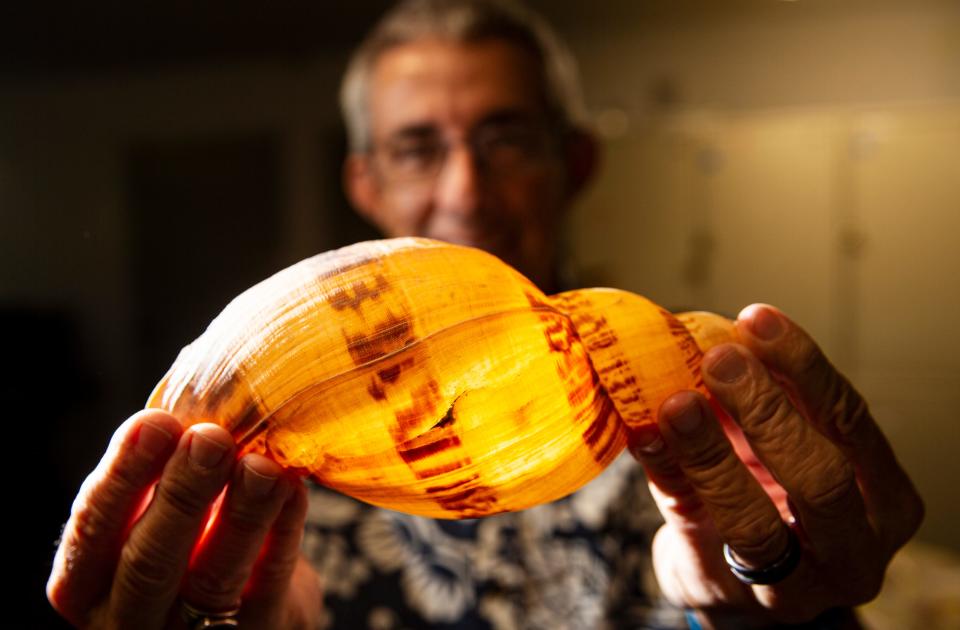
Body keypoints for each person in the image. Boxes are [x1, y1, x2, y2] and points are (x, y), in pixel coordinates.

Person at [47, 1, 923, 628]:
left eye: (505, 140)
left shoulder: (696, 442)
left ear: (573, 163)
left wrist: (769, 600)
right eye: (417, 147)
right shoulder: (272, 494)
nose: (465, 191)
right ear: (366, 184)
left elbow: (771, 590)